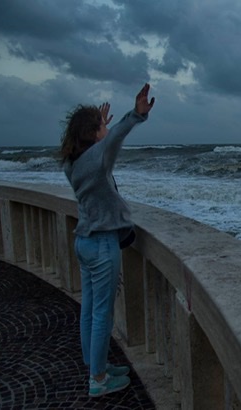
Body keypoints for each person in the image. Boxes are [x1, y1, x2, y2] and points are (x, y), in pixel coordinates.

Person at [59, 83, 155, 397]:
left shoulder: (73, 163)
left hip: (84, 242)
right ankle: (98, 381)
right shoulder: (97, 159)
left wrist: (100, 128)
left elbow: (103, 145)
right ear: (94, 133)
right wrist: (136, 116)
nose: (106, 128)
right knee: (102, 314)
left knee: (89, 309)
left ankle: (94, 367)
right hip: (101, 245)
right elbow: (113, 141)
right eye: (102, 126)